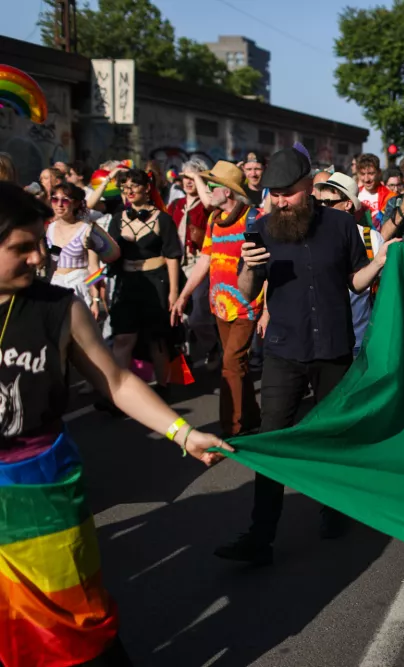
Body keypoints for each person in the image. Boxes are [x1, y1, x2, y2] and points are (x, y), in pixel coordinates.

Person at [0, 182, 230, 667]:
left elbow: (117, 381)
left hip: (43, 493)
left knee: (71, 630)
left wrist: (183, 432)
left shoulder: (59, 309)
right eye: (22, 249)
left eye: (41, 243)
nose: (40, 258)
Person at [215, 148, 397, 564]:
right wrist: (246, 267)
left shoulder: (341, 225)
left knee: (333, 437)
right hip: (283, 351)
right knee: (273, 441)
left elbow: (354, 281)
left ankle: (333, 510)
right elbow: (246, 292)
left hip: (334, 349)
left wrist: (381, 261)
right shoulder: (260, 229)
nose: (280, 201)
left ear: (308, 188)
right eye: (274, 194)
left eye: (287, 194)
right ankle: (260, 536)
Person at [169, 161, 262, 438]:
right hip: (220, 306)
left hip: (247, 305)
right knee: (237, 366)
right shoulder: (213, 220)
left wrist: (266, 308)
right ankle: (251, 417)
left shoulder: (253, 218)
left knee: (231, 364)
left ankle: (230, 429)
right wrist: (184, 295)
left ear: (228, 191)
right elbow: (204, 261)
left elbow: (265, 266)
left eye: (213, 186)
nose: (208, 191)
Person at [104, 169, 183, 396]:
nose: (129, 191)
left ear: (147, 188)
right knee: (122, 337)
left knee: (157, 339)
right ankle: (116, 394)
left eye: (134, 186)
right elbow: (111, 255)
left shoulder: (163, 219)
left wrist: (174, 292)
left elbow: (172, 256)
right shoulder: (117, 219)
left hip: (156, 282)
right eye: (124, 187)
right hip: (127, 282)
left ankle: (162, 386)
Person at [314, 172, 384, 357]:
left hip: (359, 339)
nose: (322, 208)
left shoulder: (371, 238)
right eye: (319, 203)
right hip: (321, 340)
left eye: (328, 203)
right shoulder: (310, 236)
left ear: (348, 204)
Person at [44, 182, 119, 316]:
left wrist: (95, 300)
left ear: (76, 203)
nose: (59, 205)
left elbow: (94, 268)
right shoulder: (49, 228)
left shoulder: (86, 229)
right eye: (55, 199)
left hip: (79, 286)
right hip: (55, 286)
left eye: (65, 201)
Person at [168, 158, 212, 260]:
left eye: (193, 178)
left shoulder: (206, 204)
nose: (189, 182)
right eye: (186, 177)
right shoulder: (175, 204)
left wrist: (197, 177)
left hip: (198, 260)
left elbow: (209, 205)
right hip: (176, 259)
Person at [355, 153, 394, 228]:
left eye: (371, 173)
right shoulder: (354, 194)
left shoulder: (390, 197)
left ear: (379, 173)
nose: (366, 179)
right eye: (362, 174)